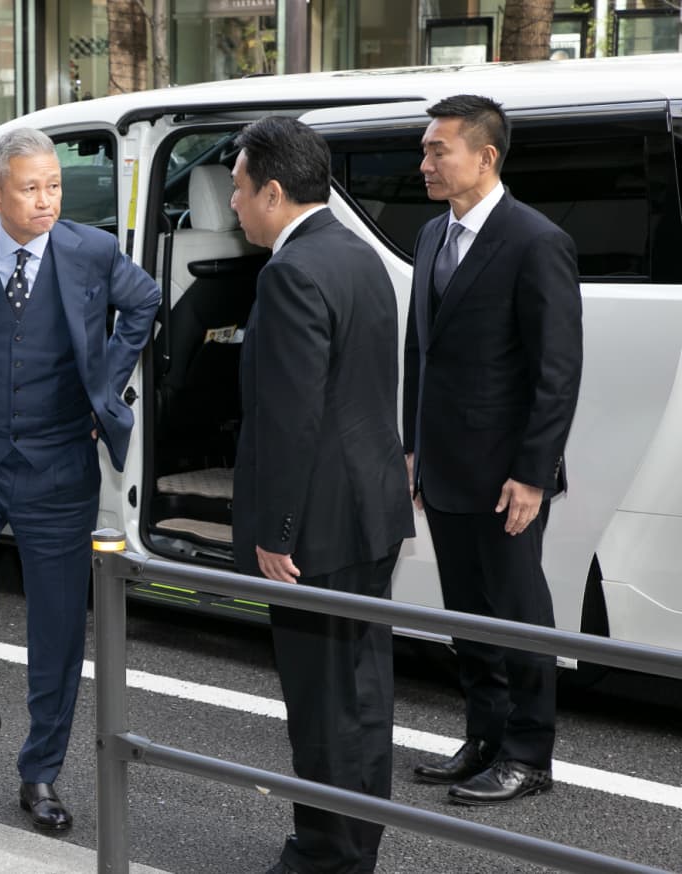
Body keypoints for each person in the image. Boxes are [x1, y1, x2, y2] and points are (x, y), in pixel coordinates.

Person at [0, 127, 160, 832]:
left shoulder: (93, 251)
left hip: (60, 463)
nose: (46, 200)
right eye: (30, 187)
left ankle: (39, 773)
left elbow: (145, 302)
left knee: (55, 633)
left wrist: (109, 378)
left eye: (54, 186)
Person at [227, 116, 414, 874]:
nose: (233, 204)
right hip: (369, 507)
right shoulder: (357, 253)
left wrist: (276, 530)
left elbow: (290, 416)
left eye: (239, 190)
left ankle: (328, 854)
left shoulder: (292, 271)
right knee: (363, 691)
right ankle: (353, 843)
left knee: (322, 702)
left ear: (273, 191)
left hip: (320, 526)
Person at [406, 94, 582, 806]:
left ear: (485, 156)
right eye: (424, 151)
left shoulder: (536, 239)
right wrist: (413, 446)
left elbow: (557, 369)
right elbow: (420, 352)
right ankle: (483, 737)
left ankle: (529, 753)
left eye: (437, 151)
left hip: (508, 475)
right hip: (444, 464)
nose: (424, 164)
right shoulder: (429, 235)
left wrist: (533, 475)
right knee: (465, 615)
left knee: (518, 613)